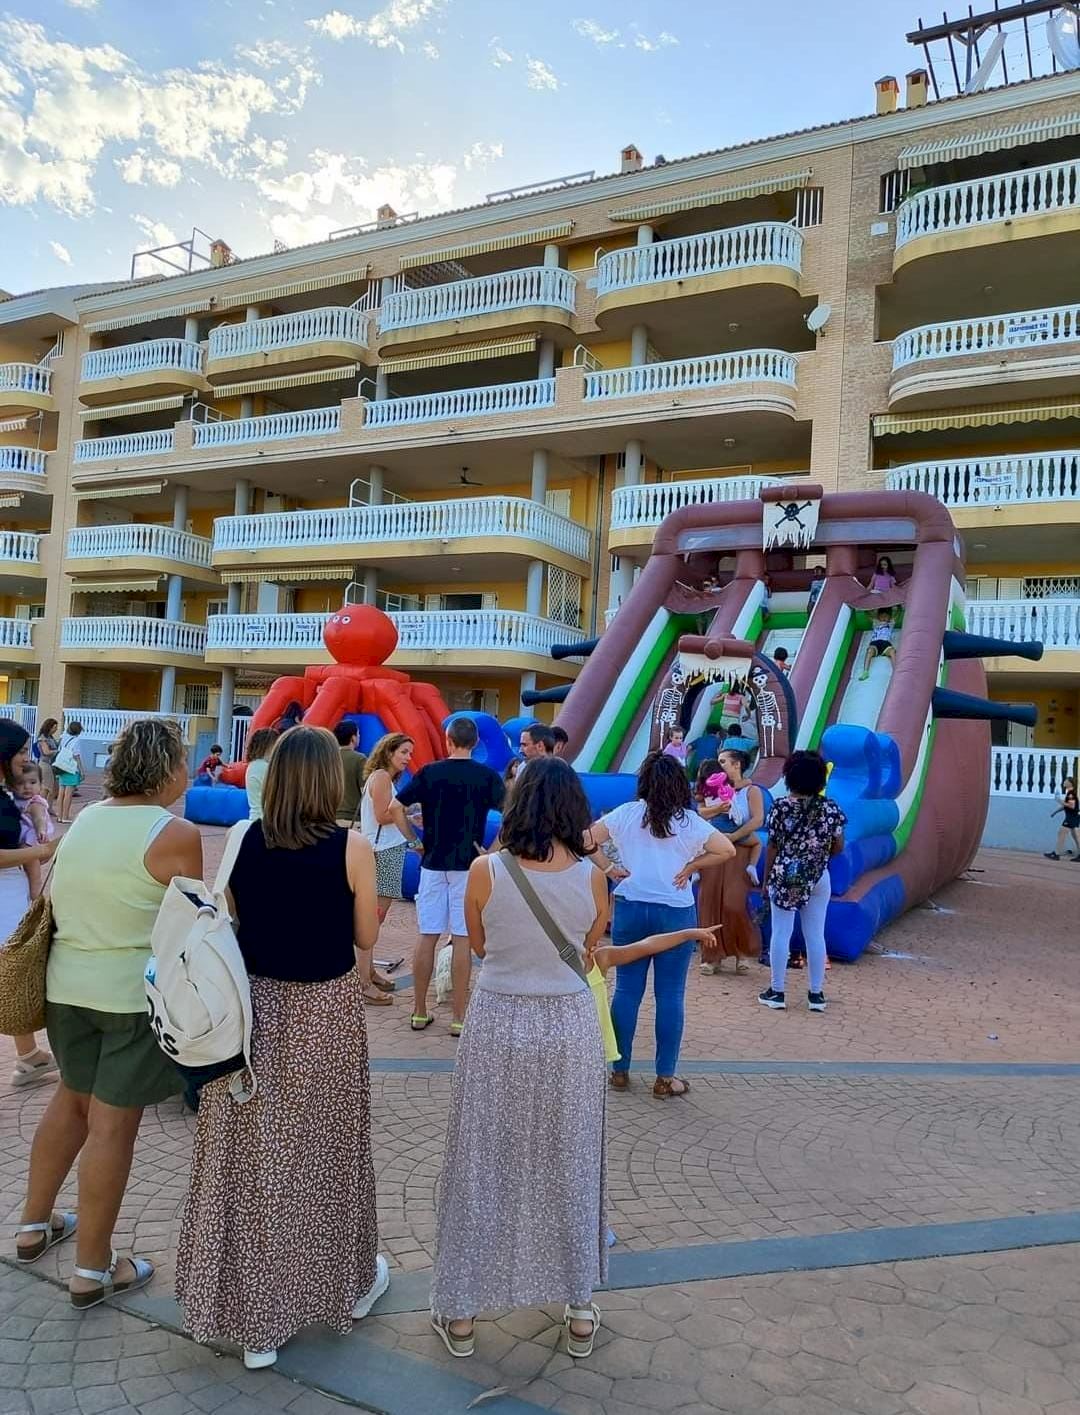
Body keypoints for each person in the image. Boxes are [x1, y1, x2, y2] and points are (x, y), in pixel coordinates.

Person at [430, 757, 716, 1359]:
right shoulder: (592, 878)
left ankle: (461, 1313)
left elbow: (480, 946)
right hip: (568, 1026)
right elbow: (589, 950)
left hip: (497, 1022)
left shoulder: (485, 871)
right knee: (572, 1159)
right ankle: (579, 1308)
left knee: (483, 1158)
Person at [176, 725, 387, 1370]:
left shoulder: (243, 839)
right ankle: (342, 1285)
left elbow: (231, 920)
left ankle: (256, 1321)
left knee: (248, 1157)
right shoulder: (353, 847)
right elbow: (366, 937)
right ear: (327, 780)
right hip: (325, 1014)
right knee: (327, 1152)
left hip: (253, 1012)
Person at [15, 719, 201, 1304]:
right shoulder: (175, 833)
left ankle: (32, 1225)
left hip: (65, 991)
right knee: (113, 1127)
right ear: (165, 768)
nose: (188, 773)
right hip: (129, 998)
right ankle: (93, 1268)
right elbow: (193, 922)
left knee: (70, 1102)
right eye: (183, 762)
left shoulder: (88, 818)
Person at [586, 751, 734, 1097]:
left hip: (631, 904)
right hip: (675, 910)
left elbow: (585, 840)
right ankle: (665, 1077)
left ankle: (619, 1070)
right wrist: (692, 866)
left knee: (627, 990)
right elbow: (726, 850)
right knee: (670, 994)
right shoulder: (689, 821)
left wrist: (608, 868)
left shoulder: (627, 813)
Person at [397, 717, 504, 1036]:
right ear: (476, 743)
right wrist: (491, 851)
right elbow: (513, 815)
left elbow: (394, 807)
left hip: (432, 862)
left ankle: (419, 1011)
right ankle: (459, 1016)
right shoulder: (487, 776)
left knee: (427, 935)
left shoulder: (429, 772)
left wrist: (414, 842)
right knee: (462, 939)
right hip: (469, 865)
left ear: (448, 740)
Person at [758, 751, 846, 1013]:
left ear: (789, 777)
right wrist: (817, 857)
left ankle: (777, 991)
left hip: (785, 875)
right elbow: (839, 846)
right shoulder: (831, 809)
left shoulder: (780, 807)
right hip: (818, 875)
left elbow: (772, 846)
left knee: (781, 932)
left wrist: (767, 880)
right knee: (815, 934)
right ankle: (816, 994)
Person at [0, 722, 60, 1088]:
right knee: (12, 973)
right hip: (4, 898)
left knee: (13, 974)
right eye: (21, 751)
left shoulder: (9, 794)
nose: (27, 758)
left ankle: (29, 1057)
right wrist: (38, 852)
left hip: (12, 895)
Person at [358, 734, 422, 1007]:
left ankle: (368, 972)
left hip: (385, 850)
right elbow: (383, 815)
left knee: (375, 917)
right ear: (389, 751)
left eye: (410, 753)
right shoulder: (383, 777)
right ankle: (363, 981)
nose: (408, 758)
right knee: (373, 918)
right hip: (382, 852)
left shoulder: (383, 777)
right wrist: (407, 815)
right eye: (404, 752)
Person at [696, 747, 766, 976]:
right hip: (714, 850)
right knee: (708, 900)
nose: (719, 765)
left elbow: (757, 820)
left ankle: (741, 950)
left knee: (733, 903)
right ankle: (711, 955)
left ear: (737, 765)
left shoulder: (751, 790)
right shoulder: (712, 788)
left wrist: (734, 837)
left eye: (723, 761)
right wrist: (717, 809)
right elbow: (701, 812)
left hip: (738, 851)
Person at [15, 764, 54, 900]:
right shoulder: (16, 800)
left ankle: (36, 893)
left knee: (32, 867)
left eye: (32, 782)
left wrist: (41, 830)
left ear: (41, 785)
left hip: (32, 839)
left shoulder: (35, 802)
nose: (27, 787)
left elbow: (39, 818)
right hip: (23, 837)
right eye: (21, 783)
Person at [335, 720, 367, 826]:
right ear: (353, 738)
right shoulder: (359, 759)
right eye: (358, 734)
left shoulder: (327, 758)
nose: (359, 736)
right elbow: (365, 793)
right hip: (353, 820)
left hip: (330, 820)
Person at [243, 728, 278, 823]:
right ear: (266, 747)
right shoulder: (264, 767)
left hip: (257, 818)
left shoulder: (253, 765)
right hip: (265, 820)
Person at [54, 721, 84, 825]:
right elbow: (76, 755)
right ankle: (65, 816)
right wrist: (81, 770)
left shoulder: (63, 737)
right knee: (68, 794)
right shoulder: (76, 740)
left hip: (62, 766)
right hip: (71, 768)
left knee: (61, 793)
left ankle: (59, 815)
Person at [1045, 778, 1080, 860]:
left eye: (1066, 781)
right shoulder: (1070, 793)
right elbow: (1065, 806)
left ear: (1070, 783)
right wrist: (1055, 812)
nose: (1064, 782)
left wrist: (1059, 800)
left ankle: (1056, 854)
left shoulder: (1071, 794)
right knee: (1076, 837)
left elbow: (1071, 806)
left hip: (1071, 817)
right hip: (1074, 817)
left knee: (1061, 833)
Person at [859, 608, 896, 681]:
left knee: (892, 651)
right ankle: (865, 671)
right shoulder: (876, 623)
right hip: (875, 643)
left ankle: (896, 671)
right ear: (878, 617)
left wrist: (899, 606)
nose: (884, 618)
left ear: (889, 617)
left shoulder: (890, 623)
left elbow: (898, 614)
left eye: (886, 616)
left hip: (885, 644)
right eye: (882, 616)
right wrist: (867, 608)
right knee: (869, 651)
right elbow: (867, 614)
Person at [34, 718, 60, 812]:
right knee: (46, 788)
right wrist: (57, 751)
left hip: (52, 764)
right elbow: (46, 752)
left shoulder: (50, 737)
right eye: (54, 727)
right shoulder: (43, 739)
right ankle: (40, 808)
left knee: (54, 787)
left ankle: (49, 808)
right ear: (49, 727)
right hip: (45, 764)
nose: (55, 729)